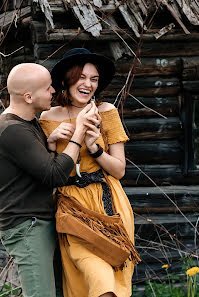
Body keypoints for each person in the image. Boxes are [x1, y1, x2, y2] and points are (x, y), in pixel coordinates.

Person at [0, 63, 100, 297]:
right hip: (27, 227)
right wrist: (79, 132)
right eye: (47, 88)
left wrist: (50, 144)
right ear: (28, 97)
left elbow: (40, 169)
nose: (53, 91)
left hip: (40, 223)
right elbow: (55, 175)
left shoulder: (28, 124)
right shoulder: (12, 130)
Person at [40, 48, 139, 297]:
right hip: (72, 208)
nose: (88, 84)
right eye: (81, 77)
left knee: (113, 283)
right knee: (95, 280)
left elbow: (119, 170)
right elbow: (49, 173)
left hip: (109, 205)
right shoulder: (47, 118)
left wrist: (95, 149)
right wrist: (51, 144)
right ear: (66, 80)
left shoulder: (106, 112)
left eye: (94, 79)